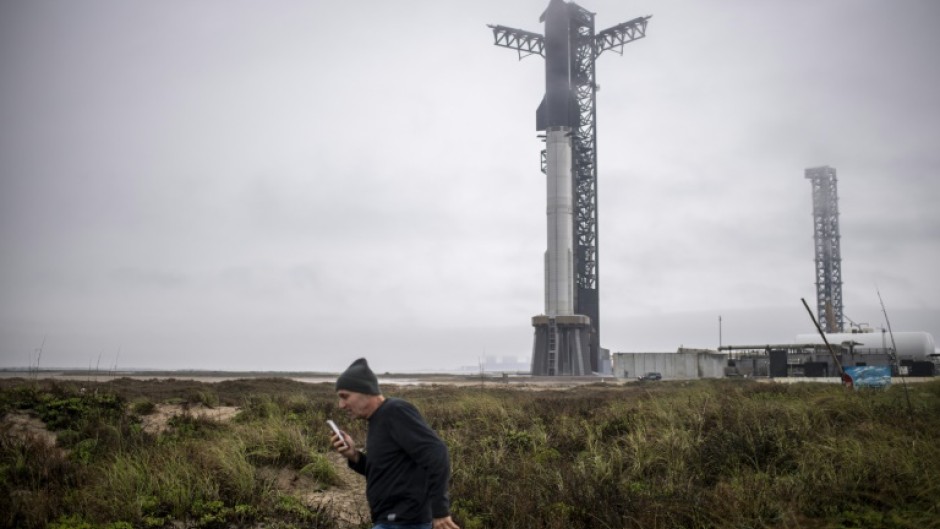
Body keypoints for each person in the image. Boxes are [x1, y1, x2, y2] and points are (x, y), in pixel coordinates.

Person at [330, 358, 460, 529]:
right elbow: (386, 471)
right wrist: (354, 456)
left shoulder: (395, 411)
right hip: (391, 521)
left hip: (406, 522)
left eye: (345, 396)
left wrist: (440, 512)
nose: (341, 405)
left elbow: (437, 452)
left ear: (366, 391)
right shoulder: (378, 419)